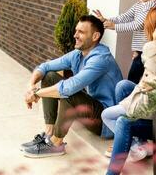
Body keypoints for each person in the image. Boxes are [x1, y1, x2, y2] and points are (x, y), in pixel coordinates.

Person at [21, 15, 123, 158]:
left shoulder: (101, 59)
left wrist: (37, 94)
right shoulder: (78, 54)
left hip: (106, 122)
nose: (75, 35)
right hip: (91, 109)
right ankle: (49, 134)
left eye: (81, 32)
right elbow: (45, 67)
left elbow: (69, 87)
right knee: (50, 76)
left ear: (95, 36)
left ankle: (56, 144)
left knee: (70, 92)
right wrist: (31, 86)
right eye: (76, 31)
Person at [103, 17, 156, 175]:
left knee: (110, 116)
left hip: (149, 105)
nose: (155, 29)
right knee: (123, 86)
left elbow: (146, 60)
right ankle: (138, 143)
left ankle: (133, 146)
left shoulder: (152, 48)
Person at [93, 0, 156, 84]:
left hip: (148, 51)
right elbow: (124, 17)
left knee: (136, 80)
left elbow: (138, 25)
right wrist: (106, 20)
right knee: (135, 78)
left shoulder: (152, 7)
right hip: (140, 50)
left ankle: (129, 98)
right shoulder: (139, 5)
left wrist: (114, 27)